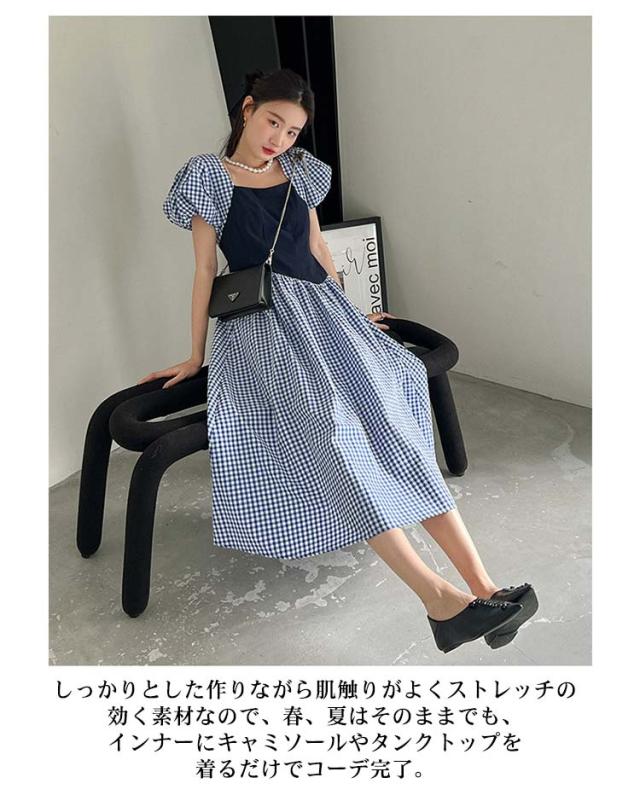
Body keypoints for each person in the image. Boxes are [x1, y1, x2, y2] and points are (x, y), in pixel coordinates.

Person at [139, 67, 538, 654]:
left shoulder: (301, 171)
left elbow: (317, 246)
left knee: (395, 426)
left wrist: (354, 313)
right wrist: (196, 353)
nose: (279, 138)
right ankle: (437, 598)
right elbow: (203, 270)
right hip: (262, 327)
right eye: (272, 122)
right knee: (338, 439)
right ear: (247, 110)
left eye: (292, 131)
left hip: (326, 314)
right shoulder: (206, 175)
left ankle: (484, 588)